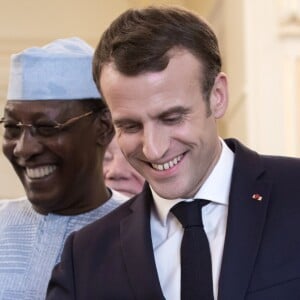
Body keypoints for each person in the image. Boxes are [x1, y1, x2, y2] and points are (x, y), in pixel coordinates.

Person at [47, 7, 300, 300]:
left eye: (172, 118)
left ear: (216, 97)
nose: (153, 148)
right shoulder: (86, 257)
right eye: (130, 126)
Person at [0, 37, 129, 300]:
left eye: (47, 128)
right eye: (12, 128)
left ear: (104, 128)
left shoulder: (145, 232)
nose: (24, 149)